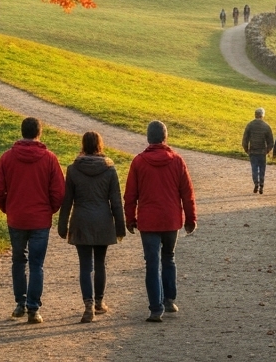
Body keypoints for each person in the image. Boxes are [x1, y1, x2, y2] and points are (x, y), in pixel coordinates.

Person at [0, 116, 65, 324]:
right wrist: (49, 210)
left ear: (22, 132)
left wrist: (8, 207)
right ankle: (34, 308)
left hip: (16, 217)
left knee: (18, 261)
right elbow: (59, 191)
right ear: (39, 133)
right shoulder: (49, 158)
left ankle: (20, 303)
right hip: (40, 219)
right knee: (36, 264)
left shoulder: (7, 158)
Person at [124, 120, 197, 323]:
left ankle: (155, 308)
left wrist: (130, 218)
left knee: (152, 263)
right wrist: (190, 219)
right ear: (165, 137)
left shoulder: (139, 162)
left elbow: (130, 195)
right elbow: (187, 194)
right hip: (171, 218)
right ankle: (169, 299)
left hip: (148, 220)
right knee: (169, 258)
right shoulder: (177, 161)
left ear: (148, 138)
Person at [58, 131, 126, 323]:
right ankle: (99, 302)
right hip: (103, 220)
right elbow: (116, 202)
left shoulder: (73, 169)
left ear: (83, 145)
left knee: (85, 265)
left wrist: (62, 226)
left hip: (81, 220)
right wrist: (120, 227)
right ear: (100, 145)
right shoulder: (109, 170)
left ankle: (88, 304)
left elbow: (67, 201)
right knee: (100, 263)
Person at [242, 107, 274, 194]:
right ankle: (262, 185)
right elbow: (271, 142)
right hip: (262, 152)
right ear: (262, 115)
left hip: (252, 151)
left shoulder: (250, 125)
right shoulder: (266, 126)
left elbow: (245, 139)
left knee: (254, 169)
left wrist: (246, 149)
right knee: (262, 169)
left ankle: (256, 183)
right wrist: (267, 150)